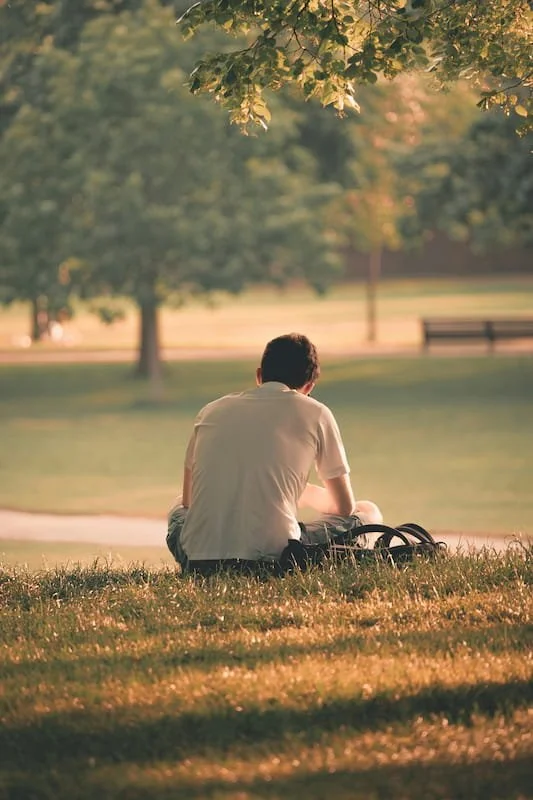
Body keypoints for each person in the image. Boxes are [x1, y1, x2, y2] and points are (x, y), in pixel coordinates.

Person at [167, 333, 382, 573]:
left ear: (259, 376)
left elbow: (189, 500)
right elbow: (344, 508)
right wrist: (300, 491)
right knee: (367, 513)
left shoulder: (210, 411)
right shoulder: (316, 413)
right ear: (309, 386)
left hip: (198, 562)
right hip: (277, 560)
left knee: (178, 509)